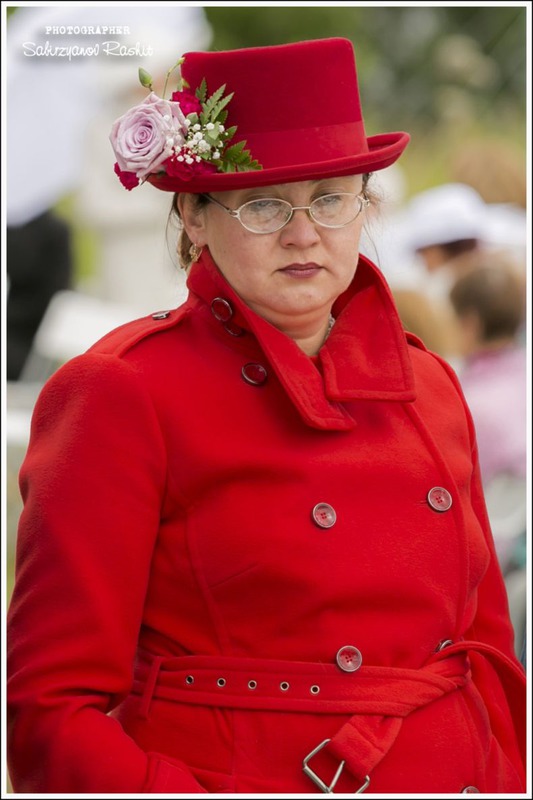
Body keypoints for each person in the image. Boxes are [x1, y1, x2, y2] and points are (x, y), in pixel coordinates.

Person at [6, 37, 526, 794]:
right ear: (192, 215)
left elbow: (486, 658)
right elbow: (50, 713)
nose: (303, 232)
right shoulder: (121, 391)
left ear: (365, 204)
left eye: (331, 198)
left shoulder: (430, 384)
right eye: (263, 204)